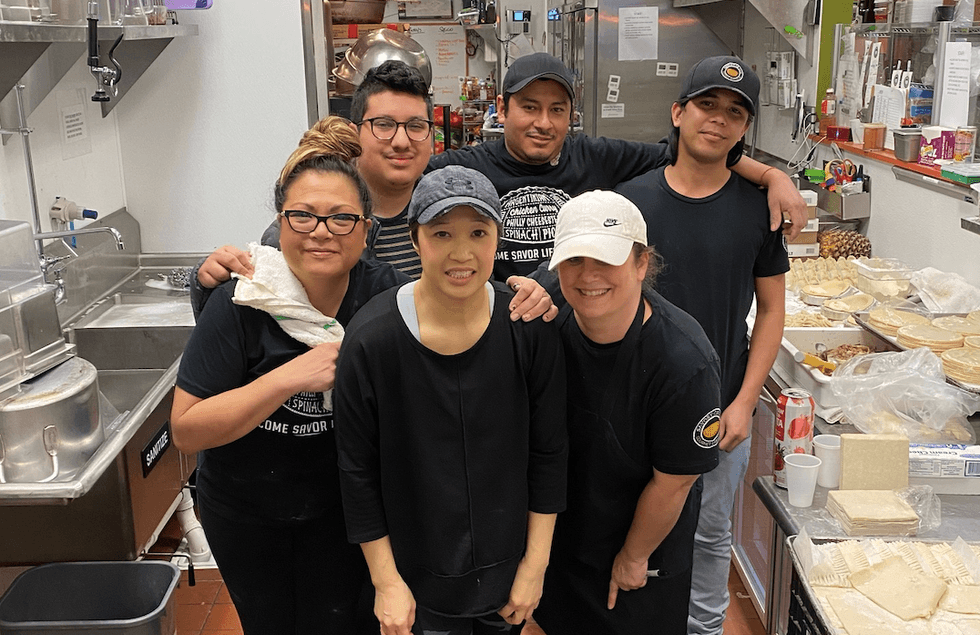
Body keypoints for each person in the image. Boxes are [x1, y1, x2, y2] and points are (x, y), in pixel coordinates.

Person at [170, 116, 409, 635]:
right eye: (303, 216)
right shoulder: (246, 296)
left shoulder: (383, 296)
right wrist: (288, 377)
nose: (321, 232)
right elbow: (186, 429)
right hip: (246, 512)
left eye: (341, 218)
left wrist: (525, 295)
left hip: (343, 515)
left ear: (366, 231)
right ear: (279, 225)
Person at [333, 166, 568, 635]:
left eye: (478, 232)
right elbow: (356, 472)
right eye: (442, 233)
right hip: (415, 581)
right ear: (415, 240)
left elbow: (550, 452)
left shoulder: (527, 329)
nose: (462, 253)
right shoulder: (373, 340)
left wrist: (535, 565)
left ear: (498, 239)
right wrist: (387, 582)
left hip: (507, 575)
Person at [613, 55, 788, 635]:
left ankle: (704, 628)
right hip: (635, 401)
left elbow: (771, 312)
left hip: (719, 406)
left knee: (711, 531)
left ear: (744, 130)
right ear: (678, 113)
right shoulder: (631, 203)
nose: (718, 120)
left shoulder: (756, 211)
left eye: (735, 112)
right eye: (707, 105)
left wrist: (745, 400)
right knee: (628, 524)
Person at [193, 60, 555, 323]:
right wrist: (207, 282)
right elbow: (252, 308)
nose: (401, 141)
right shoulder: (317, 222)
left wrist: (523, 292)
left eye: (416, 126)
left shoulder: (453, 205)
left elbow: (475, 285)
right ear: (356, 132)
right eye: (383, 125)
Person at [428, 52, 807, 280]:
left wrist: (774, 176)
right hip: (501, 327)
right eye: (529, 107)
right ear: (502, 108)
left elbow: (690, 150)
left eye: (556, 110)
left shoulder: (595, 157)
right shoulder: (465, 170)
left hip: (577, 324)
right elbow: (405, 178)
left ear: (570, 115)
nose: (543, 123)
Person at [533, 190, 722, 635]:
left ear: (641, 264)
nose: (588, 276)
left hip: (640, 549)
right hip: (566, 541)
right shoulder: (548, 317)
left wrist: (633, 557)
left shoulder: (683, 363)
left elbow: (673, 484)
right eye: (574, 260)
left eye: (607, 259)